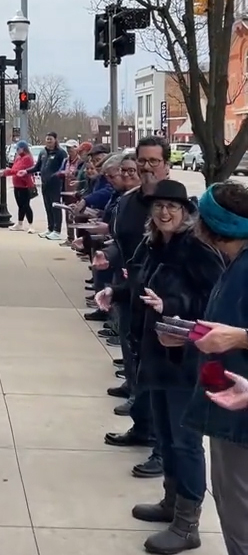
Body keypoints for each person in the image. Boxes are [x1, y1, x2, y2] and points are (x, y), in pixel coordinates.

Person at [97, 180, 223, 555]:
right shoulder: (153, 244)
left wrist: (170, 303)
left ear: (186, 212)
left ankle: (188, 524)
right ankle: (171, 501)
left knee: (185, 442)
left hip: (185, 357)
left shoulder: (197, 249)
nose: (164, 213)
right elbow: (140, 285)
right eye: (158, 207)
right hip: (154, 353)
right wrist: (116, 293)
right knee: (164, 435)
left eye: (172, 207)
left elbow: (214, 304)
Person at [182, 181, 248, 555]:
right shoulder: (235, 261)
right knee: (229, 505)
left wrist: (237, 335)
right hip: (229, 406)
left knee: (245, 518)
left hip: (244, 413)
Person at [100, 136, 172, 479]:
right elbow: (123, 243)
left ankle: (161, 447)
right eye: (142, 161)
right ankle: (141, 427)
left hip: (164, 304)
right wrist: (108, 258)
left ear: (166, 164)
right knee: (135, 364)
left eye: (153, 161)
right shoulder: (128, 202)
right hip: (130, 294)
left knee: (159, 377)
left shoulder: (174, 204)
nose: (146, 167)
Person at [26, 132, 66, 241]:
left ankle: (57, 231)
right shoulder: (43, 152)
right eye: (47, 139)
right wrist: (26, 171)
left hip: (55, 185)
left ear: (55, 140)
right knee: (48, 206)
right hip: (45, 184)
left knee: (55, 207)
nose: (49, 141)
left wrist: (56, 176)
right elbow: (37, 167)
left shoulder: (60, 153)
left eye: (51, 139)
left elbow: (63, 168)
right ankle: (50, 228)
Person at [1, 140, 36, 232]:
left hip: (25, 185)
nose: (17, 150)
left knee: (26, 205)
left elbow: (19, 170)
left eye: (18, 148)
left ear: (23, 148)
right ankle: (20, 223)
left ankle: (31, 225)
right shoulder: (18, 158)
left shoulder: (27, 158)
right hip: (17, 184)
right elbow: (14, 169)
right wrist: (7, 172)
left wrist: (6, 172)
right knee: (20, 205)